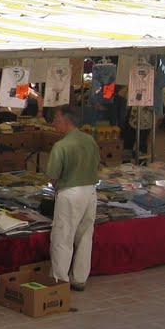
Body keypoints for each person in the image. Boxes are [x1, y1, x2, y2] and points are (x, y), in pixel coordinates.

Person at [45, 104, 101, 291]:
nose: (54, 123)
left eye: (56, 119)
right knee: (85, 236)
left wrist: (57, 183)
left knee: (63, 237)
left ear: (66, 121)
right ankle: (79, 278)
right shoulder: (90, 140)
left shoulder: (61, 145)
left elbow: (53, 175)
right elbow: (97, 165)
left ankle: (59, 281)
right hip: (90, 191)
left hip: (70, 193)